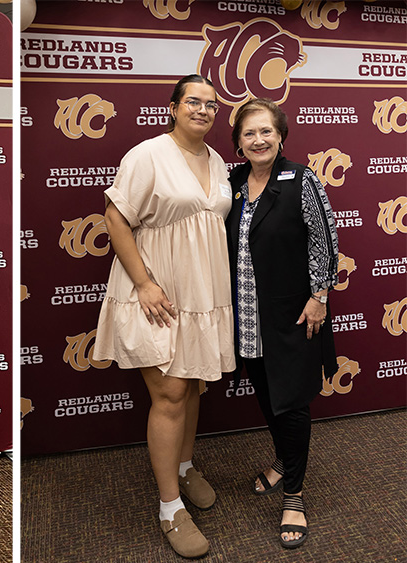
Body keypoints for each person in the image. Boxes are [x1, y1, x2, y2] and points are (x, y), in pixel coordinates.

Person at [93, 74, 235, 559]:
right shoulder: (147, 154)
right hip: (155, 289)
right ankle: (169, 507)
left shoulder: (217, 161)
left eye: (211, 105)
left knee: (192, 383)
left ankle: (184, 465)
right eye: (193, 101)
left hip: (202, 291)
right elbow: (115, 217)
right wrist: (145, 283)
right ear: (173, 107)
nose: (203, 110)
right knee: (171, 391)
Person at [226, 98, 339, 549]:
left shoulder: (301, 179)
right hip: (248, 316)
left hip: (293, 313)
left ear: (281, 135)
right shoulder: (232, 182)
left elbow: (325, 239)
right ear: (238, 142)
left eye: (266, 131)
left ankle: (294, 493)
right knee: (269, 397)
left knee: (291, 403)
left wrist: (319, 296)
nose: (259, 140)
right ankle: (282, 461)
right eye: (249, 133)